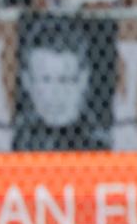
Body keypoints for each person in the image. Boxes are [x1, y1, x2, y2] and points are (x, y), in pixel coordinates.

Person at [13, 15, 115, 150]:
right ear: (27, 81)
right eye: (46, 80)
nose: (55, 93)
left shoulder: (102, 145)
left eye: (65, 80)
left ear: (83, 80)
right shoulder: (16, 140)